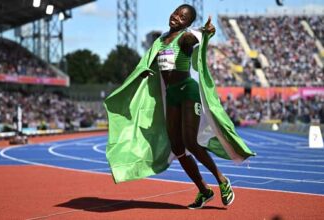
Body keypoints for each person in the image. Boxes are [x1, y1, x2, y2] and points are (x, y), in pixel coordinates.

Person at [104, 4, 255, 210]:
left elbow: (193, 38)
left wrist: (205, 31)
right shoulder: (159, 41)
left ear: (188, 23)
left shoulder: (184, 38)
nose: (176, 17)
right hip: (172, 95)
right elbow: (147, 64)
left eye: (182, 17)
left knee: (191, 143)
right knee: (177, 147)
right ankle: (204, 190)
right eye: (176, 13)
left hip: (188, 92)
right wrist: (143, 73)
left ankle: (222, 180)